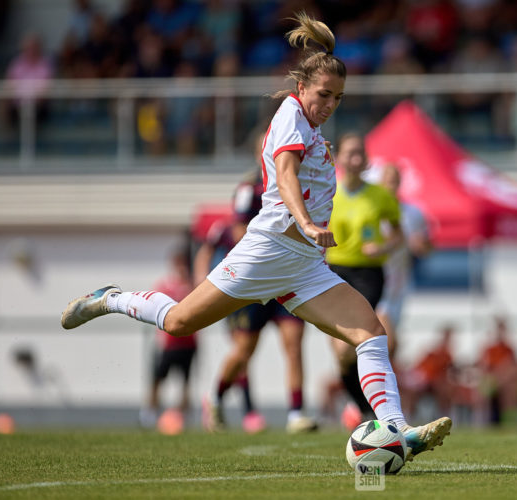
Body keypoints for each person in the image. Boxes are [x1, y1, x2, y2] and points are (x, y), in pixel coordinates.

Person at [61, 12, 451, 461]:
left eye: (338, 98)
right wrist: (306, 222)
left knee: (370, 332)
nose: (329, 104)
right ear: (301, 89)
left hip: (303, 266)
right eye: (323, 95)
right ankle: (109, 298)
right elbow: (284, 175)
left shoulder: (312, 125)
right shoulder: (289, 118)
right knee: (179, 322)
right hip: (268, 251)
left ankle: (399, 430)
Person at [195, 137, 316, 435]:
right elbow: (238, 232)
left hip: (286, 278)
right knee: (245, 350)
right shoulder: (250, 188)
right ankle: (216, 397)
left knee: (293, 343)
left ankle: (296, 413)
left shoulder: (302, 184)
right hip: (256, 278)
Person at [325, 131, 404, 429]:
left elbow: (398, 234)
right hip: (334, 273)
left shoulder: (380, 195)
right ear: (340, 158)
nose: (356, 158)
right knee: (341, 354)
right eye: (350, 153)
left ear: (366, 159)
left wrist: (383, 246)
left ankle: (376, 412)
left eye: (360, 153)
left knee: (356, 345)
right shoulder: (327, 190)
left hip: (369, 275)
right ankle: (362, 407)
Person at [376, 164, 433, 361]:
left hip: (399, 286)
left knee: (386, 349)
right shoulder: (372, 211)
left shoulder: (413, 213)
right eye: (387, 178)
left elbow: (426, 248)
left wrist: (421, 245)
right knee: (388, 342)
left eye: (394, 178)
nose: (390, 182)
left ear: (400, 182)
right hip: (376, 282)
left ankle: (376, 388)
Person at [139, 243, 198, 430]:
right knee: (158, 378)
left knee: (186, 382)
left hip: (189, 343)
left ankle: (182, 417)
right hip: (169, 344)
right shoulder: (164, 286)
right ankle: (149, 414)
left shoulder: (193, 285)